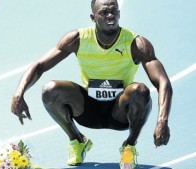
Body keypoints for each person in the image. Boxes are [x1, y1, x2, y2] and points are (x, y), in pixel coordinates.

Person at [11, 0, 173, 168]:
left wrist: (162, 121)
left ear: (119, 13)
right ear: (93, 17)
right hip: (88, 110)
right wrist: (19, 93)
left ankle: (129, 147)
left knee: (140, 91)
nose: (110, 15)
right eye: (104, 12)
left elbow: (163, 82)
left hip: (119, 112)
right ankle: (78, 140)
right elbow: (40, 65)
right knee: (51, 90)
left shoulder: (136, 44)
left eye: (114, 11)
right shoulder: (77, 39)